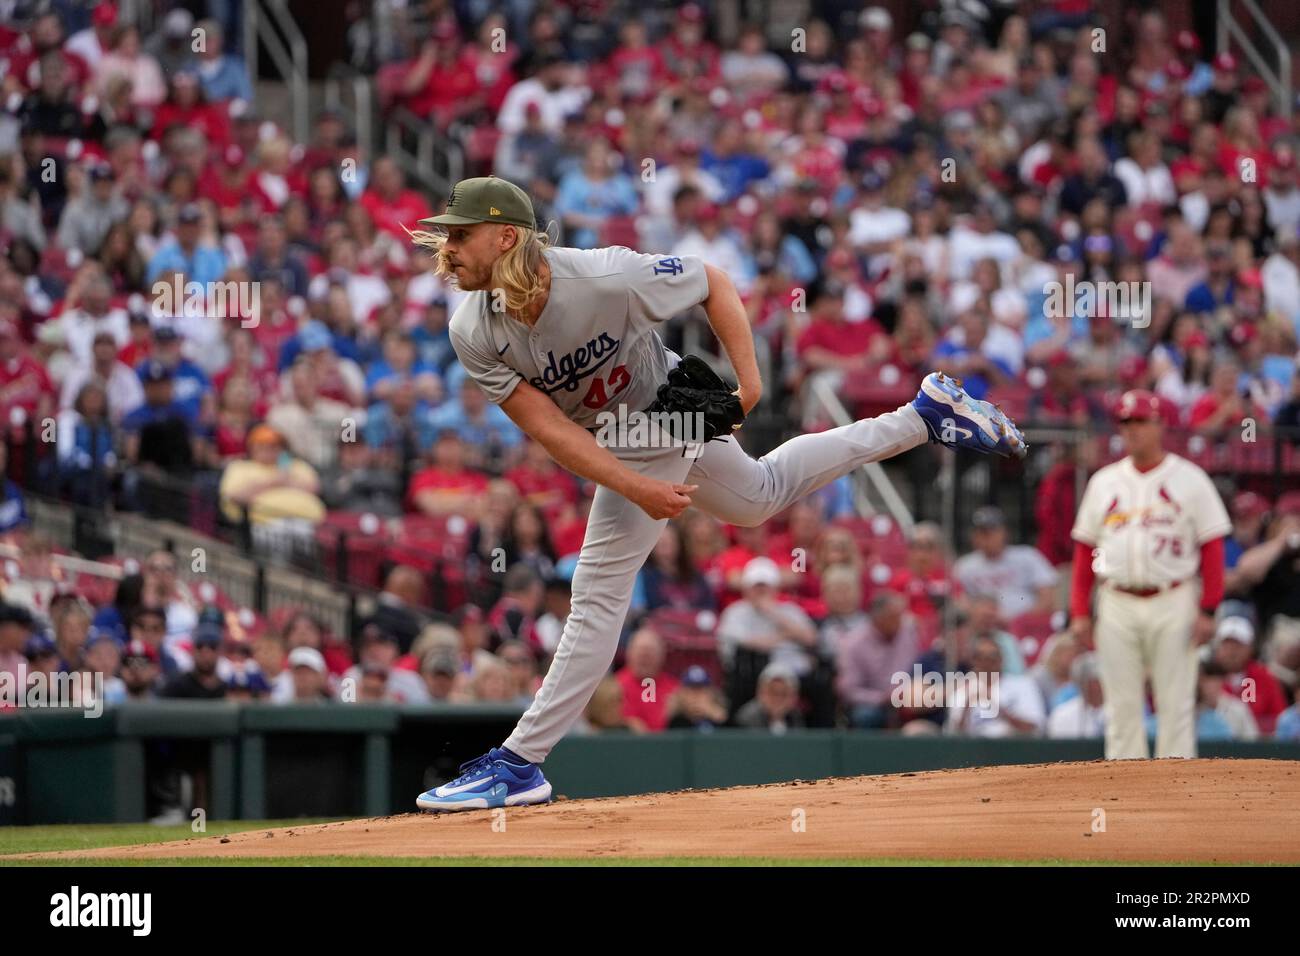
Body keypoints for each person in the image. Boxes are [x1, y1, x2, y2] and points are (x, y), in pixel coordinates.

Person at [408, 175, 1026, 810]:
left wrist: (749, 384)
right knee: (758, 497)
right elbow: (552, 433)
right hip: (622, 434)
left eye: (461, 233)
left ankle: (519, 763)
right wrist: (637, 487)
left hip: (667, 406)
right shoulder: (473, 329)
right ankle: (922, 417)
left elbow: (711, 281)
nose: (447, 247)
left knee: (596, 592)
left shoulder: (601, 276)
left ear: (506, 235)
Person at [1069, 389, 1230, 759]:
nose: (1132, 429)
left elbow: (1212, 547)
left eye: (1141, 421)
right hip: (1116, 600)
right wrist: (1079, 611)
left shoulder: (1190, 479)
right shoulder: (1104, 482)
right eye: (1126, 422)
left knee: (1175, 703)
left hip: (1173, 597)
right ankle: (1124, 791)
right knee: (1121, 705)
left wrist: (1209, 608)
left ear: (1160, 424)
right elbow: (1083, 550)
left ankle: (1177, 791)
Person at [953, 506, 1058, 620]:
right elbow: (957, 601)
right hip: (983, 631)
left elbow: (1048, 598)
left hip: (1025, 628)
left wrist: (1018, 622)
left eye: (990, 532)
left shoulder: (1027, 556)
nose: (986, 538)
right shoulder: (965, 565)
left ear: (1004, 532)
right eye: (981, 533)